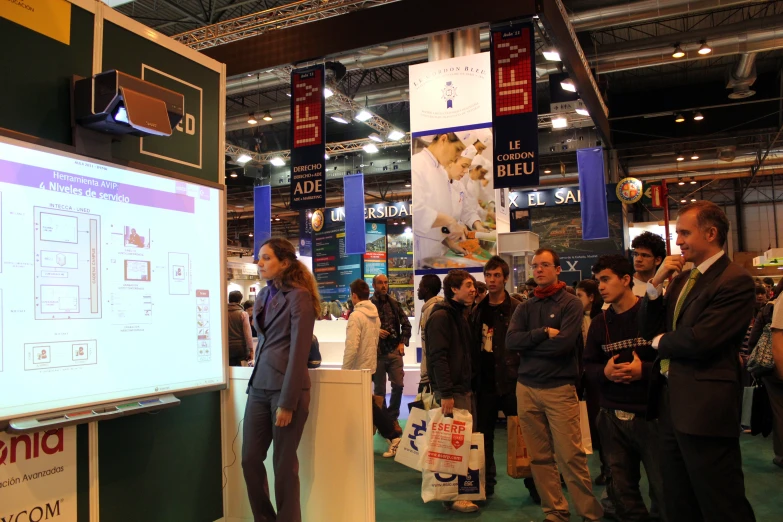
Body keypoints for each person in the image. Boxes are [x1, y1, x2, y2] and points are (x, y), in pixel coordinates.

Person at [639, 201, 756, 522]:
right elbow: (646, 328)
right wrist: (655, 285)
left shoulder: (735, 280)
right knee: (677, 500)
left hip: (706, 409)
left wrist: (661, 342)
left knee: (720, 501)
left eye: (684, 233)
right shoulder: (681, 279)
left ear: (711, 233)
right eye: (678, 233)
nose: (678, 242)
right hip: (670, 405)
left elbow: (702, 339)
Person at [506, 247, 603, 522]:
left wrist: (530, 345)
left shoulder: (571, 303)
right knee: (539, 458)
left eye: (545, 265)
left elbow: (563, 346)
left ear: (558, 270)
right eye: (535, 265)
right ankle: (555, 511)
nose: (538, 270)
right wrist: (542, 334)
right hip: (526, 389)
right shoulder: (525, 306)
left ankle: (589, 513)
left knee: (570, 456)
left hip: (559, 389)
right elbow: (511, 342)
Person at [242, 238, 320, 522]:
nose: (259, 263)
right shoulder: (263, 296)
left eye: (266, 258)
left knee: (284, 466)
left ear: (284, 263)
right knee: (250, 459)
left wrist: (287, 402)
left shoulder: (299, 296)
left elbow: (300, 352)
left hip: (287, 392)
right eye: (258, 258)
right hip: (259, 388)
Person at [583, 255, 666, 521]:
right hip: (611, 417)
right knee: (621, 491)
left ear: (626, 279)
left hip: (651, 415)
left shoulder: (652, 315)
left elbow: (672, 362)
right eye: (598, 282)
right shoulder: (599, 323)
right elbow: (589, 366)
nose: (601, 287)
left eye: (606, 279)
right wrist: (604, 373)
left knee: (663, 488)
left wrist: (645, 371)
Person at [471, 256, 540, 503]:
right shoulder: (477, 310)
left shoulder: (519, 307)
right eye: (488, 275)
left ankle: (535, 485)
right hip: (486, 384)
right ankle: (486, 486)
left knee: (526, 435)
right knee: (483, 437)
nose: (491, 280)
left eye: (496, 275)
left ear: (505, 278)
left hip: (514, 381)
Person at [426, 269, 479, 513]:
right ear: (454, 289)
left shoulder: (461, 314)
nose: (473, 289)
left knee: (462, 443)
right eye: (468, 285)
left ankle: (458, 493)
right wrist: (445, 392)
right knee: (454, 447)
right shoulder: (442, 317)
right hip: (452, 392)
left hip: (463, 388)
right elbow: (438, 357)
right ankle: (456, 496)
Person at [342, 279, 402, 458]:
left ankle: (393, 437)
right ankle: (382, 437)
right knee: (367, 404)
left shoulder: (356, 316)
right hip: (369, 365)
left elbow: (352, 346)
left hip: (357, 368)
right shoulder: (373, 314)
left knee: (369, 406)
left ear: (353, 296)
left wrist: (345, 371)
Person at [411, 133, 468, 262]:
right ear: (443, 139)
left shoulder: (441, 172)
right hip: (422, 251)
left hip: (437, 252)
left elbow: (437, 220)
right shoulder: (417, 164)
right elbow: (417, 211)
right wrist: (451, 222)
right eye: (458, 149)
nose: (458, 156)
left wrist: (449, 242)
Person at [575, 279, 610, 486]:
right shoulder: (573, 318)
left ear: (591, 297)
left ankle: (607, 468)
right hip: (578, 377)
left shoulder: (602, 319)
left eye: (580, 295)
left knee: (601, 424)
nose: (576, 300)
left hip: (597, 376)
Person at [371, 274, 412, 422]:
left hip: (394, 351)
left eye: (386, 282)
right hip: (377, 353)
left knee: (399, 386)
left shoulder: (394, 303)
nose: (384, 286)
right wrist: (376, 330)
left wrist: (402, 343)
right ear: (374, 285)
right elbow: (364, 330)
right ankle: (383, 421)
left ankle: (393, 417)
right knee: (379, 391)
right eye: (380, 283)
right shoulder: (369, 306)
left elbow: (407, 325)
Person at [417, 274, 443, 393]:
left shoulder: (432, 310)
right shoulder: (429, 309)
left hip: (430, 376)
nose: (418, 289)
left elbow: (432, 345)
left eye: (420, 286)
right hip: (430, 373)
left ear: (426, 289)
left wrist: (428, 374)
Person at [631, 232, 666, 297]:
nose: (638, 259)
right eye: (635, 254)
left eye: (644, 255)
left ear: (657, 260)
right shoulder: (624, 285)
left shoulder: (662, 291)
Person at [228, 290, 254, 366]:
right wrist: (251, 350)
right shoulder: (243, 314)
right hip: (240, 348)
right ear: (240, 301)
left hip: (226, 348)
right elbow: (248, 334)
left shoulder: (223, 313)